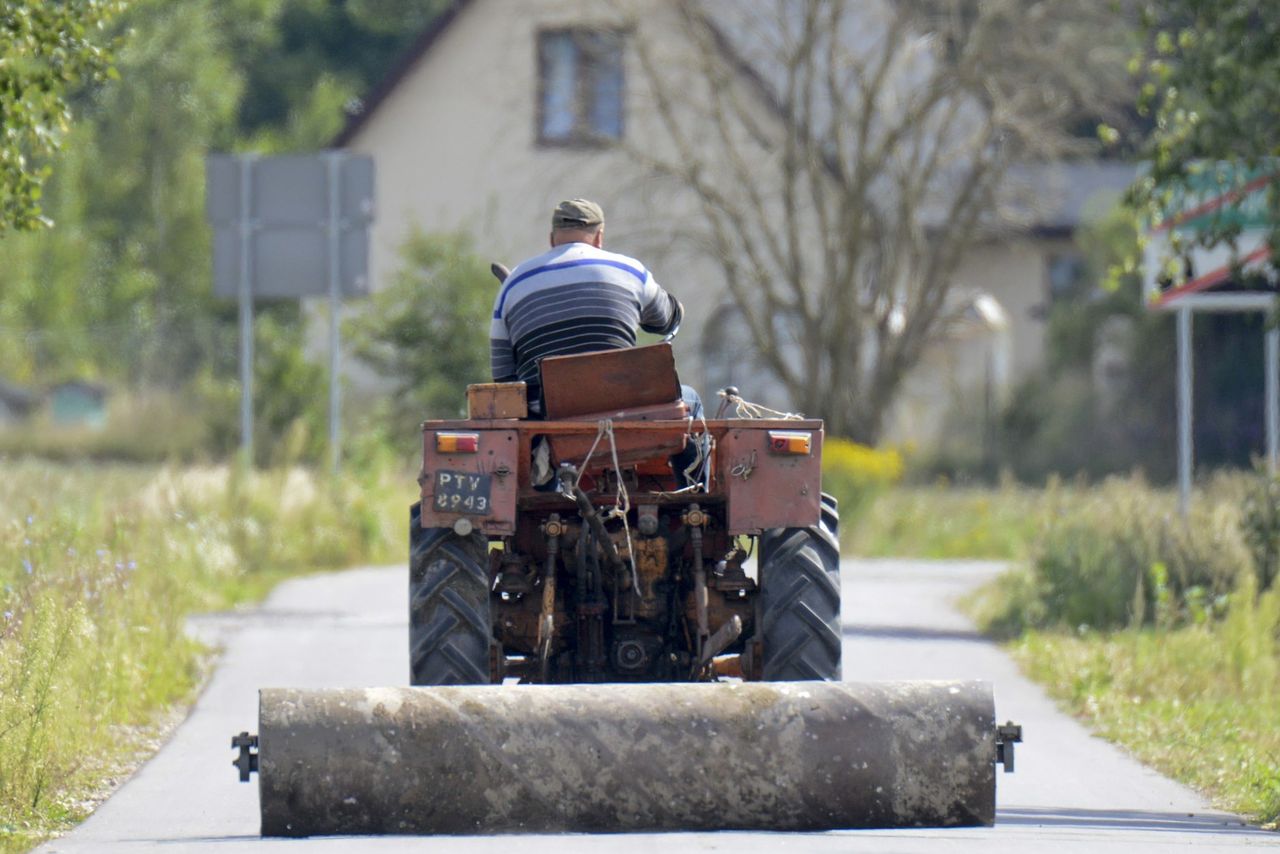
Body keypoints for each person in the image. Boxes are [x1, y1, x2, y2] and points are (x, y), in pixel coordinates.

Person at [490, 198, 705, 483]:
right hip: (626, 412)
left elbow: (503, 377)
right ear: (599, 236)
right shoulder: (630, 272)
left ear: (552, 238)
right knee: (692, 402)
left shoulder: (513, 284)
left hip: (547, 420)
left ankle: (547, 491)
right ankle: (694, 499)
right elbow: (666, 319)